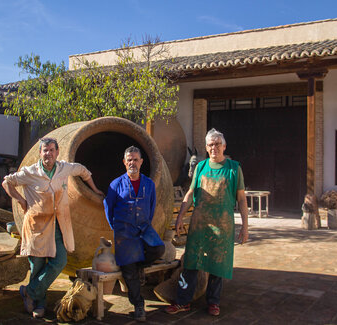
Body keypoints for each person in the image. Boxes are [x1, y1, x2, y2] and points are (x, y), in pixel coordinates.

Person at [2, 137, 103, 318]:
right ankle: (38, 305)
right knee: (37, 267)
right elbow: (7, 182)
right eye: (45, 150)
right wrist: (21, 201)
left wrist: (94, 189)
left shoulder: (65, 168)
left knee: (60, 262)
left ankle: (29, 292)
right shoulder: (30, 172)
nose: (48, 153)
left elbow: (83, 171)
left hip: (58, 225)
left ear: (57, 152)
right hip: (37, 226)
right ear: (40, 153)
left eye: (51, 150)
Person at [165, 128, 249, 317]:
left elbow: (242, 199)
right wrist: (179, 217)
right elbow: (189, 193)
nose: (214, 148)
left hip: (223, 225)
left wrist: (245, 226)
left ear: (224, 146)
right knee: (191, 262)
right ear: (206, 147)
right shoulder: (201, 167)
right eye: (211, 144)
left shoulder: (234, 168)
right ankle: (183, 301)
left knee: (217, 264)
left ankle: (213, 302)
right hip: (199, 224)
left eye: (218, 144)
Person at [104, 146, 165, 322]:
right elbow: (109, 209)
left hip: (144, 228)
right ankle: (138, 305)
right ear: (124, 162)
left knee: (159, 249)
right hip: (124, 232)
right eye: (129, 160)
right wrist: (117, 228)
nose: (132, 163)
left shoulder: (149, 184)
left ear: (141, 162)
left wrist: (144, 223)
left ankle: (140, 265)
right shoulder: (115, 185)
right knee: (129, 272)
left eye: (135, 159)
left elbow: (151, 207)